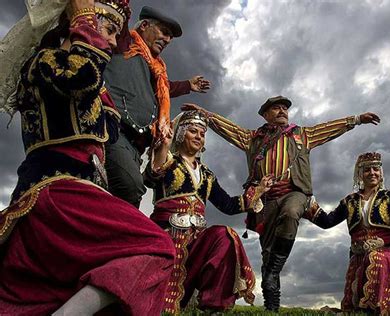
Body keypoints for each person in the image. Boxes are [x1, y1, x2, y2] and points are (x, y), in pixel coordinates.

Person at [0, 1, 177, 314]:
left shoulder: (95, 82)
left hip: (82, 196)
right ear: (78, 26)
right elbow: (81, 79)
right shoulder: (46, 62)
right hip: (56, 193)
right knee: (156, 246)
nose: (110, 42)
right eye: (107, 30)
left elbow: (109, 127)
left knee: (81, 287)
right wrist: (84, 19)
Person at [182, 97, 381, 311]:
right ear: (265, 114)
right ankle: (272, 306)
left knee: (291, 212)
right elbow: (228, 128)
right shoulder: (253, 138)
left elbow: (329, 128)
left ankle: (273, 271)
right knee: (267, 254)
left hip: (294, 193)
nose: (282, 111)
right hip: (265, 200)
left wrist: (357, 119)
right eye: (276, 108)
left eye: (285, 108)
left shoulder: (302, 135)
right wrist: (205, 114)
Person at [143, 110, 273, 313]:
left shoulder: (207, 175)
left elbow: (228, 206)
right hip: (165, 237)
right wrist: (163, 147)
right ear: (180, 134)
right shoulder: (169, 161)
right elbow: (151, 176)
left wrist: (258, 191)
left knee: (224, 236)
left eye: (202, 134)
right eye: (193, 131)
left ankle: (214, 307)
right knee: (154, 302)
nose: (198, 136)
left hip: (196, 241)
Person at [304, 152, 390, 315]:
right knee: (353, 308)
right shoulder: (349, 201)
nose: (372, 173)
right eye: (367, 170)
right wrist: (308, 203)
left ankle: (377, 308)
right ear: (359, 174)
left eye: (375, 169)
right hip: (358, 255)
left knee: (377, 259)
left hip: (387, 251)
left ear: (381, 173)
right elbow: (327, 222)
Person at [103, 6, 211, 208]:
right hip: (114, 131)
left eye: (171, 37)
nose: (168, 40)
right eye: (164, 32)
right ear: (144, 25)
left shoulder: (156, 70)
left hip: (136, 145)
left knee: (126, 199)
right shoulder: (125, 42)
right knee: (131, 188)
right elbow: (121, 14)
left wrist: (188, 85)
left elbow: (164, 89)